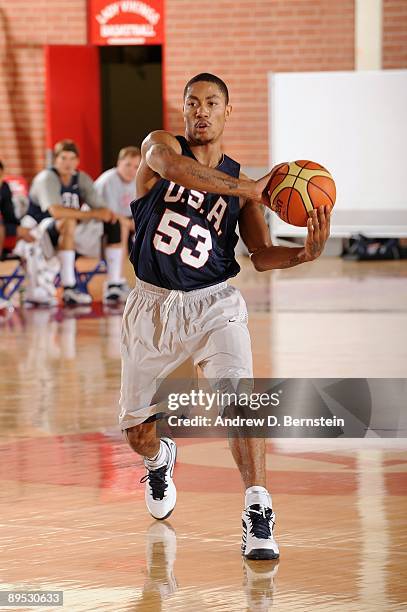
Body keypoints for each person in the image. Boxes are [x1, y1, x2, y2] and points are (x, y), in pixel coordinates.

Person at [119, 73, 331, 560]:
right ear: (183, 108)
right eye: (193, 102)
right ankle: (159, 458)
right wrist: (252, 189)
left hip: (214, 303)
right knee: (138, 433)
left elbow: (259, 254)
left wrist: (303, 254)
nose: (201, 110)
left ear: (227, 112)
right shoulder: (161, 149)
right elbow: (175, 169)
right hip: (152, 306)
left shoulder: (243, 185)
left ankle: (258, 511)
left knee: (240, 400)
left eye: (212, 103)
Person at [26, 140, 128, 305]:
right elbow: (56, 212)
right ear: (55, 160)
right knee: (68, 221)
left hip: (72, 231)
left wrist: (103, 214)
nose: (68, 163)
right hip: (39, 230)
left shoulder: (80, 178)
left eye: (72, 158)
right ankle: (69, 287)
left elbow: (102, 209)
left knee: (113, 222)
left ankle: (114, 284)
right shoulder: (47, 177)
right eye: (63, 158)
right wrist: (93, 213)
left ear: (77, 161)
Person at [95, 146, 140, 282]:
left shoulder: (137, 181)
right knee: (122, 227)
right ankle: (116, 280)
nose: (131, 170)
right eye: (127, 165)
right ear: (119, 163)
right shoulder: (109, 180)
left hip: (122, 219)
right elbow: (110, 213)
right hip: (95, 222)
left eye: (136, 166)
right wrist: (130, 223)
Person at [0, 161, 34, 259]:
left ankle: (31, 266)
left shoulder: (4, 187)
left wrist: (17, 228)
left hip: (4, 227)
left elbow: (9, 214)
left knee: (29, 231)